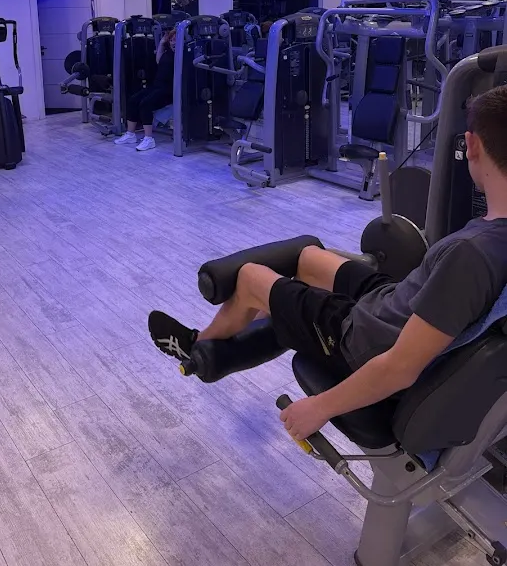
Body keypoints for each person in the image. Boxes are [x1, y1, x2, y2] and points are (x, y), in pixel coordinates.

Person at [149, 85, 507, 443]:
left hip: (363, 338)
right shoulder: (488, 239)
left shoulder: (470, 255)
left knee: (250, 278)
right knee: (308, 258)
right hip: (394, 302)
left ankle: (196, 345)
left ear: (471, 145)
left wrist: (319, 407)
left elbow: (400, 367)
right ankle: (244, 342)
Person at [114, 28, 176, 151]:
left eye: (175, 40)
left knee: (145, 104)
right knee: (133, 100)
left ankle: (149, 139)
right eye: (171, 40)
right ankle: (130, 134)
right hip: (157, 86)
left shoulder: (182, 55)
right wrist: (162, 42)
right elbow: (158, 60)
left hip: (169, 91)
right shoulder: (167, 52)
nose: (173, 42)